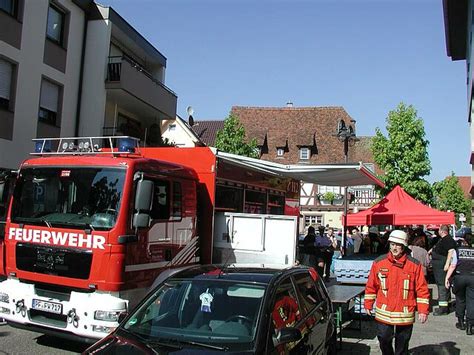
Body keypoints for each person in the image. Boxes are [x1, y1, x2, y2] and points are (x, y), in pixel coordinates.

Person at [365, 230, 429, 355]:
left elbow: (422, 289)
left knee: (402, 344)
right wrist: (368, 303)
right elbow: (371, 285)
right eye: (392, 244)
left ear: (404, 246)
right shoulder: (379, 262)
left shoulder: (414, 265)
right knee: (383, 338)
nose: (395, 248)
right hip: (384, 311)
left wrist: (423, 310)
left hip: (405, 312)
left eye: (398, 245)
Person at [445, 242, 474, 335]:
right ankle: (470, 326)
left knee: (460, 299)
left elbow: (453, 265)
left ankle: (461, 322)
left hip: (459, 276)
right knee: (471, 301)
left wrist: (447, 277)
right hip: (472, 277)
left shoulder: (457, 251)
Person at [429, 224, 457, 316]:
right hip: (438, 265)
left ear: (442, 231)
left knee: (442, 286)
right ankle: (446, 305)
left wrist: (447, 263)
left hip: (442, 265)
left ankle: (443, 308)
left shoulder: (448, 240)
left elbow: (451, 251)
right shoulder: (443, 239)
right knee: (442, 285)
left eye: (439, 230)